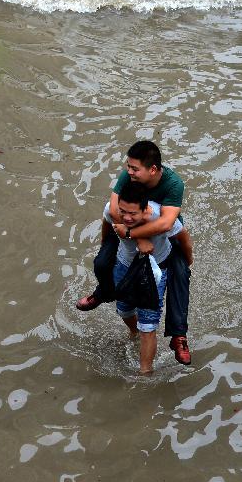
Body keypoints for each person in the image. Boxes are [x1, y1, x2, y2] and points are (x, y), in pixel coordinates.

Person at [77, 140, 193, 365]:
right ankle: (104, 293)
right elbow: (113, 210)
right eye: (128, 167)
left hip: (160, 236)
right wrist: (135, 236)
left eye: (134, 168)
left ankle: (179, 336)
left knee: (181, 274)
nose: (128, 171)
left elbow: (167, 224)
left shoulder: (173, 184)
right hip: (123, 230)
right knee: (102, 263)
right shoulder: (127, 179)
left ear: (152, 170)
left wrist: (131, 233)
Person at [103, 182, 193, 375]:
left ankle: (145, 372)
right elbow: (107, 222)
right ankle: (133, 332)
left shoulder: (160, 216)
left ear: (145, 209)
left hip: (156, 268)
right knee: (124, 310)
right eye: (123, 211)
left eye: (133, 214)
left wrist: (188, 261)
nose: (126, 217)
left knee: (148, 324)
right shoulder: (114, 212)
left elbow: (183, 236)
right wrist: (105, 250)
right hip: (125, 265)